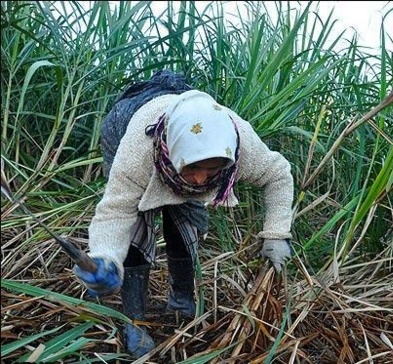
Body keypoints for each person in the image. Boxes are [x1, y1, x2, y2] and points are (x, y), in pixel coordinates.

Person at [72, 70, 294, 358]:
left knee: (186, 223)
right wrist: (105, 257)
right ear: (173, 153)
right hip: (128, 124)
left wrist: (276, 233)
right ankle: (134, 322)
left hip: (181, 136)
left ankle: (181, 301)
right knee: (136, 229)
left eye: (212, 170)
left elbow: (278, 175)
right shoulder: (138, 151)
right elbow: (116, 211)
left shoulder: (239, 144)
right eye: (193, 169)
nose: (202, 180)